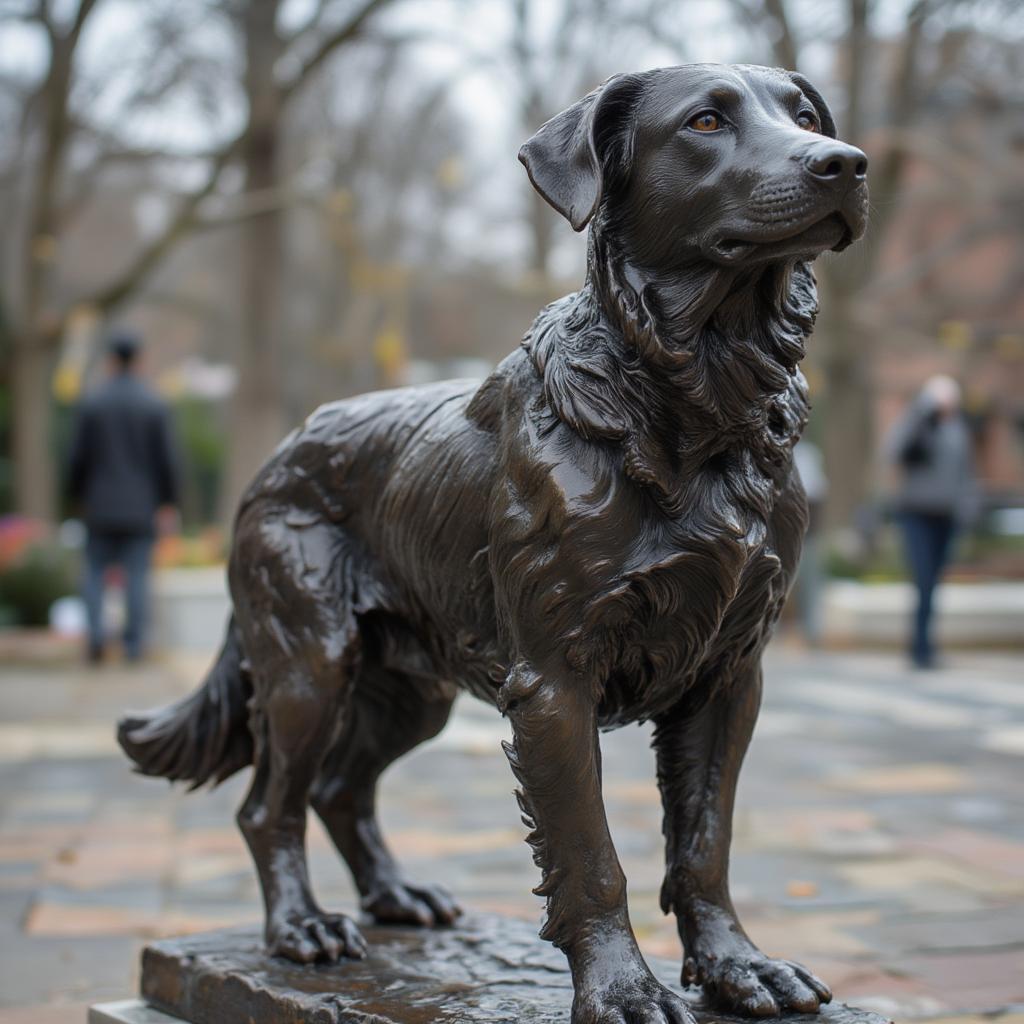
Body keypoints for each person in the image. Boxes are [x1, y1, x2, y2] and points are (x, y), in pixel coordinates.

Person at [68, 331, 179, 662]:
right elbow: (168, 461)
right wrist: (168, 503)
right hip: (140, 506)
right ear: (139, 359)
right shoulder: (154, 404)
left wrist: (75, 495)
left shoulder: (92, 403)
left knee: (93, 573)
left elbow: (77, 457)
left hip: (98, 504)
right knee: (137, 576)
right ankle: (133, 646)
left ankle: (96, 638)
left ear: (111, 360)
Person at [886, 375, 978, 669]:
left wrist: (967, 511)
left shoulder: (958, 430)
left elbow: (966, 474)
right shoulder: (917, 424)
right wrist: (921, 415)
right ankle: (920, 649)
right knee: (923, 580)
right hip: (916, 514)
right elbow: (893, 452)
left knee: (934, 583)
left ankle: (925, 645)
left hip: (946, 516)